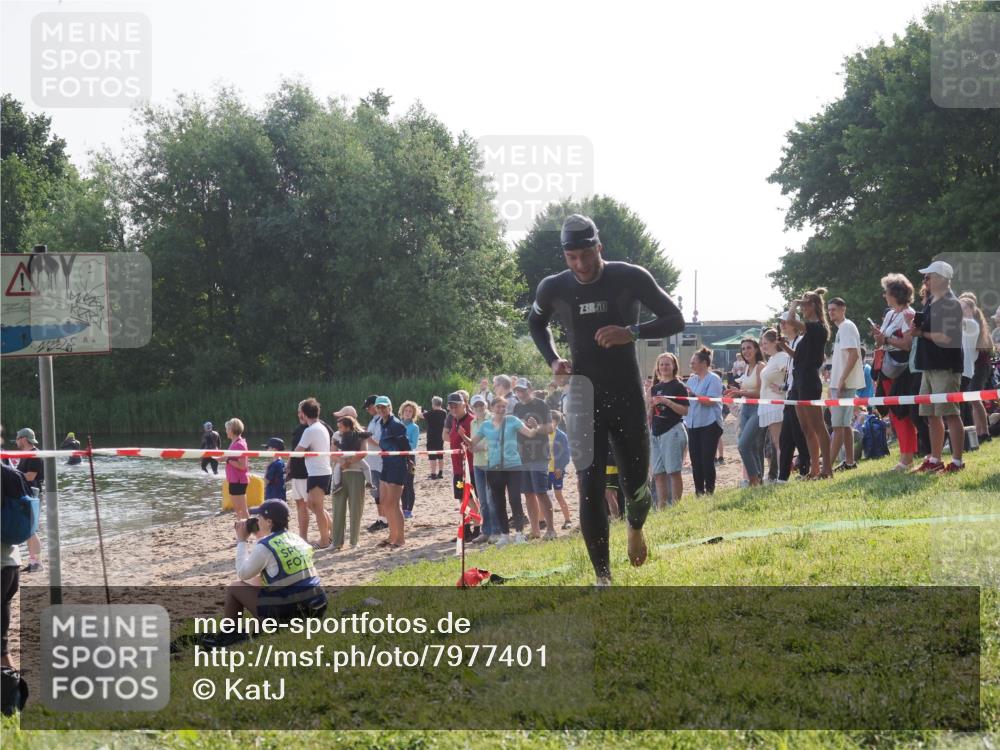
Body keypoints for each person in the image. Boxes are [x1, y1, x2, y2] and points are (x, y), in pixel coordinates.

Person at [528, 214, 685, 583]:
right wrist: (553, 359)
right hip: (583, 397)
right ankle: (603, 577)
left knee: (635, 486)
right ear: (565, 257)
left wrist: (631, 331)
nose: (581, 265)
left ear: (599, 247)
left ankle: (635, 527)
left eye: (587, 255)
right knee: (589, 486)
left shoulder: (630, 277)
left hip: (626, 393)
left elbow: (674, 318)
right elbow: (535, 323)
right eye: (572, 258)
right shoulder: (553, 287)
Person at [222, 500, 326, 634]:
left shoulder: (265, 546)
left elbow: (243, 573)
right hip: (317, 607)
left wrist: (242, 541)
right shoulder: (296, 539)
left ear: (269, 522)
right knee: (263, 584)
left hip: (293, 615)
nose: (256, 521)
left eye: (259, 518)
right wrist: (261, 536)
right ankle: (258, 631)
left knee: (235, 587)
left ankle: (228, 634)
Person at [910, 261, 966, 473]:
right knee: (931, 414)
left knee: (950, 413)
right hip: (929, 365)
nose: (925, 280)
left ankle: (957, 462)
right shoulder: (932, 301)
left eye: (928, 277)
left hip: (945, 366)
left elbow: (945, 337)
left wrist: (920, 333)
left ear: (941, 279)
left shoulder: (951, 304)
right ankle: (935, 459)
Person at [463, 397, 542, 546]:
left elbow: (530, 434)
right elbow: (473, 442)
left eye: (503, 407)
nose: (501, 409)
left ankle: (519, 534)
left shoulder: (512, 420)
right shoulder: (486, 425)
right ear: (492, 408)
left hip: (513, 467)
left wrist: (535, 427)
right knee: (499, 502)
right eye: (498, 407)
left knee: (515, 499)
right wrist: (462, 435)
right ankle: (505, 535)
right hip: (494, 468)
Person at [777, 289, 832, 480]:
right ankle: (814, 469)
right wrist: (784, 347)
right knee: (806, 428)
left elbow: (791, 320)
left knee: (818, 425)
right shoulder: (807, 334)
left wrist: (793, 304)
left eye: (806, 304)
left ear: (814, 306)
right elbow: (799, 357)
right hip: (800, 380)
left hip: (809, 380)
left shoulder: (817, 328)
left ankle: (827, 470)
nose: (802, 307)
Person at [871, 273, 918, 471]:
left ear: (896, 293)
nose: (884, 296)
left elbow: (907, 344)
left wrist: (887, 340)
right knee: (893, 414)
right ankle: (903, 456)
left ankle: (908, 459)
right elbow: (881, 341)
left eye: (886, 292)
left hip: (902, 370)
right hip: (887, 369)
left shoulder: (909, 314)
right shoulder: (890, 314)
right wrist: (879, 337)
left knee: (902, 414)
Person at [511, 378, 556, 539]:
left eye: (522, 390)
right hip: (522, 456)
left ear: (530, 388)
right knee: (528, 493)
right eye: (517, 390)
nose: (520, 393)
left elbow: (550, 428)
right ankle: (535, 530)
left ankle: (551, 529)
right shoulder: (516, 407)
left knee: (541, 492)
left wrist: (536, 427)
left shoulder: (541, 405)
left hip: (539, 455)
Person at [827, 298, 866, 472]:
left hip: (843, 384)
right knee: (844, 425)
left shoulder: (847, 326)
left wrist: (841, 379)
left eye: (834, 309)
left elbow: (853, 355)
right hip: (840, 384)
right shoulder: (842, 328)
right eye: (829, 310)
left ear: (844, 309)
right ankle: (849, 462)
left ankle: (826, 468)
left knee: (838, 426)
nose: (831, 313)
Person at [368, 397, 409, 549]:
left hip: (397, 466)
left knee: (393, 503)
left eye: (384, 407)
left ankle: (401, 539)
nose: (381, 410)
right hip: (386, 464)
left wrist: (404, 461)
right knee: (385, 502)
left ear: (390, 407)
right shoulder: (381, 422)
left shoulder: (396, 424)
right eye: (378, 407)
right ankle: (392, 535)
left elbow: (406, 447)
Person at [649, 352, 689, 506]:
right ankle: (661, 506)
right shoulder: (655, 388)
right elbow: (651, 412)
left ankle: (676, 505)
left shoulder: (678, 386)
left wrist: (668, 402)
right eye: (662, 364)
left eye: (667, 364)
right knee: (658, 473)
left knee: (673, 471)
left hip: (672, 430)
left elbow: (685, 411)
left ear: (674, 367)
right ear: (658, 368)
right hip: (656, 432)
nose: (664, 367)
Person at [293, 399, 333, 548]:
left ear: (303, 414)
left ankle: (324, 540)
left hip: (318, 473)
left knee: (317, 507)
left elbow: (297, 453)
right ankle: (333, 532)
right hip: (319, 471)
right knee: (312, 504)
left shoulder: (310, 430)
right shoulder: (320, 427)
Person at [684, 348, 725, 495]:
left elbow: (711, 402)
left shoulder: (714, 378)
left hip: (710, 424)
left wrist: (693, 394)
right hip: (693, 424)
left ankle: (710, 491)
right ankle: (698, 491)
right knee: (695, 460)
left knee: (707, 459)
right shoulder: (691, 379)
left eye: (693, 362)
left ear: (703, 363)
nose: (691, 365)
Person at [776, 313, 811, 481]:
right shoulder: (791, 342)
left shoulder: (801, 341)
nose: (782, 324)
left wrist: (784, 348)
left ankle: (805, 470)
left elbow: (800, 360)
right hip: (791, 392)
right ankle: (783, 477)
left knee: (798, 435)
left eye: (785, 322)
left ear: (794, 324)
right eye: (781, 322)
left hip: (799, 394)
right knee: (786, 438)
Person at [330, 414, 372, 550]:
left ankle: (354, 541)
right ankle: (336, 542)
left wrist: (349, 462)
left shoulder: (361, 434)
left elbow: (364, 452)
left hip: (357, 473)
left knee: (356, 508)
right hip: (341, 472)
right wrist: (342, 462)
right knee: (337, 508)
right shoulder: (336, 434)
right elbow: (333, 453)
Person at [730, 338, 767, 487]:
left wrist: (739, 392)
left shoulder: (760, 366)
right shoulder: (746, 368)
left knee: (743, 445)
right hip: (745, 408)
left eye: (749, 348)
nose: (746, 351)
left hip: (758, 408)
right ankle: (759, 479)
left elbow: (760, 393)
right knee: (753, 446)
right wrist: (736, 392)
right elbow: (746, 391)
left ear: (756, 349)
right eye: (743, 348)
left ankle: (753, 479)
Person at [446, 392, 482, 543]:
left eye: (456, 405)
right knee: (462, 498)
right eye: (451, 406)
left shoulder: (471, 421)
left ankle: (477, 529)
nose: (453, 408)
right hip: (458, 469)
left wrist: (464, 437)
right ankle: (466, 530)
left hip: (471, 468)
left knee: (472, 499)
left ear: (464, 405)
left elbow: (477, 445)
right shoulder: (454, 420)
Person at [755, 330, 789, 482]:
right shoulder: (773, 359)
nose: (763, 347)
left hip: (776, 403)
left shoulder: (782, 357)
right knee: (776, 442)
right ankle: (780, 473)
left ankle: (782, 474)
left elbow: (791, 374)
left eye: (765, 343)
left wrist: (783, 387)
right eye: (762, 344)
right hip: (768, 403)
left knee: (779, 442)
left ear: (775, 342)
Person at [960, 293, 993, 444]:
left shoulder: (972, 323)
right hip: (974, 365)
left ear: (971, 309)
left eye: (963, 307)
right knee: (973, 400)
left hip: (980, 366)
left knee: (975, 399)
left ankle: (984, 432)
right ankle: (979, 431)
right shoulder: (970, 323)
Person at [468, 395, 498, 541]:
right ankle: (486, 532)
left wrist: (481, 447)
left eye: (481, 405)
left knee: (492, 498)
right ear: (472, 408)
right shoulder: (473, 422)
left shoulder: (492, 419)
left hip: (491, 462)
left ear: (485, 405)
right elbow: (474, 441)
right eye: (476, 406)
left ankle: (496, 531)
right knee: (483, 500)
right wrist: (470, 446)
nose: (479, 408)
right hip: (477, 463)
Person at [15, 428, 44, 573]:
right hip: (29, 495)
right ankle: (33, 562)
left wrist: (13, 475)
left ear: (24, 439)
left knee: (31, 531)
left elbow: (30, 476)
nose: (16, 441)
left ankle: (37, 563)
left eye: (17, 438)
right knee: (29, 531)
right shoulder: (26, 455)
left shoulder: (34, 455)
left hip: (33, 495)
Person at [363, 395, 387, 533]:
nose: (367, 410)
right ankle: (381, 518)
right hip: (372, 461)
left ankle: (385, 519)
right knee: (376, 493)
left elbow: (379, 441)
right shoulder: (374, 420)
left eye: (368, 407)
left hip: (381, 461)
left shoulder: (383, 421)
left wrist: (366, 436)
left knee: (382, 493)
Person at [287, 412, 311, 539]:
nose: (301, 415)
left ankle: (331, 532)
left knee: (314, 506)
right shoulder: (298, 429)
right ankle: (303, 537)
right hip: (296, 473)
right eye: (299, 413)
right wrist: (289, 464)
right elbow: (293, 450)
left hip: (307, 473)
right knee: (300, 505)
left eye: (303, 412)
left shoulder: (314, 428)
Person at [547, 410, 573, 529]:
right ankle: (543, 521)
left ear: (556, 422)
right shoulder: (542, 434)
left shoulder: (561, 436)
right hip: (545, 471)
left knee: (558, 495)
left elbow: (566, 455)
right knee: (544, 496)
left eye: (551, 420)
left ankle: (567, 520)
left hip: (556, 470)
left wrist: (560, 468)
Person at [223, 419, 251, 520]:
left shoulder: (239, 444)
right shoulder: (235, 443)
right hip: (235, 479)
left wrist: (227, 459)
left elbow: (242, 465)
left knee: (241, 510)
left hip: (238, 480)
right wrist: (223, 458)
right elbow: (232, 459)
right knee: (240, 510)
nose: (226, 431)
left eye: (227, 429)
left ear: (232, 430)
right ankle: (244, 531)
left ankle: (245, 531)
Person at [398, 401, 421, 519]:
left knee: (409, 484)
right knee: (401, 484)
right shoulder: (397, 424)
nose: (407, 413)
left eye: (410, 411)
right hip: (398, 457)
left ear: (413, 414)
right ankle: (403, 508)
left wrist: (403, 441)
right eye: (406, 411)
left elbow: (413, 445)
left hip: (410, 458)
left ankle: (409, 510)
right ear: (402, 412)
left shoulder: (414, 427)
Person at [422, 397, 447, 480]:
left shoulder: (430, 413)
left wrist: (419, 410)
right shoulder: (444, 412)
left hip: (432, 437)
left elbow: (420, 415)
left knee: (432, 456)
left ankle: (433, 474)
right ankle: (440, 472)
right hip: (441, 436)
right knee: (440, 455)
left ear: (433, 404)